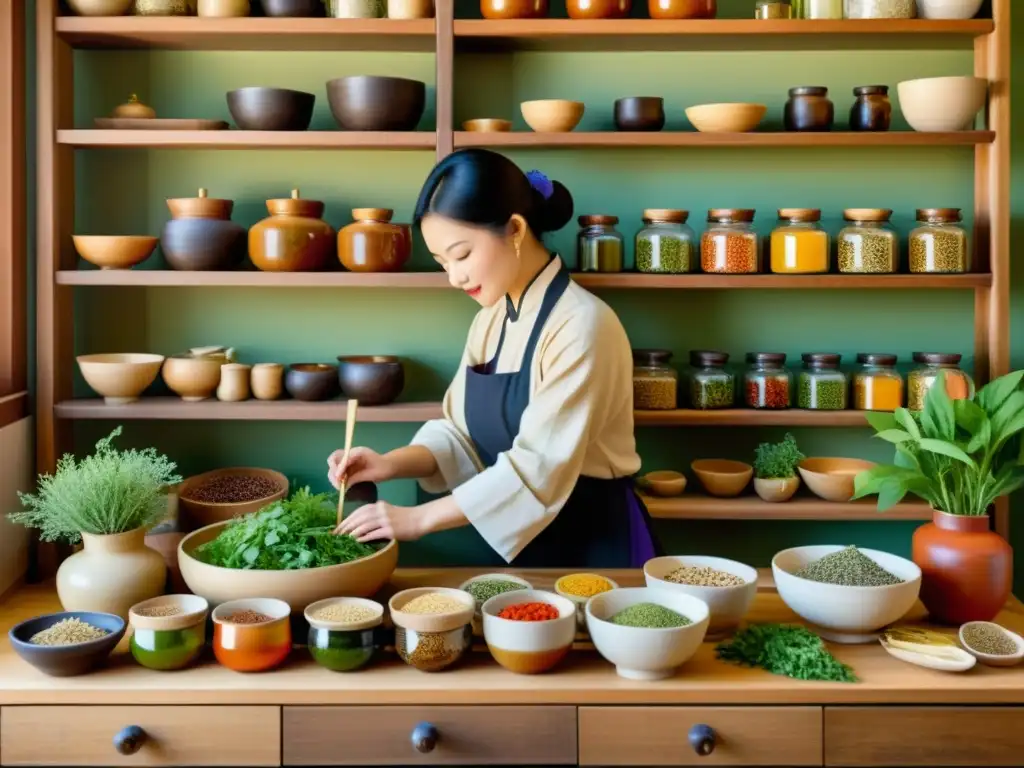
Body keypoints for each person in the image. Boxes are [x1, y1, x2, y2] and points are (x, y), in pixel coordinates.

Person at [328, 148, 661, 568]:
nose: (455, 277)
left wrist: (417, 519)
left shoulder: (582, 325)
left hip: (592, 540)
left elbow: (538, 466)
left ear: (516, 229)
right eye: (442, 261)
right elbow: (458, 434)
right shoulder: (491, 319)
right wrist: (388, 464)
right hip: (521, 542)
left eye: (462, 254)